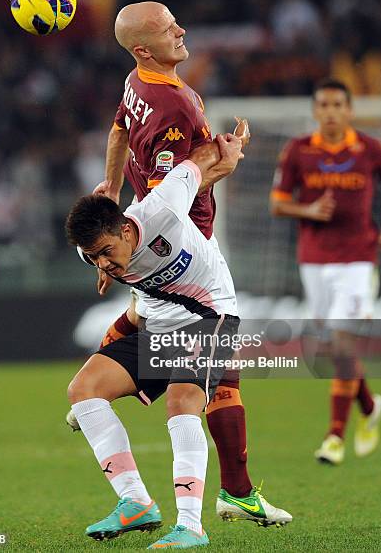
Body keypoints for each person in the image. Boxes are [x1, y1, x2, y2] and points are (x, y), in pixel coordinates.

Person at [68, 0, 267, 521]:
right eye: (167, 27)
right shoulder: (177, 107)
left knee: (176, 348)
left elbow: (118, 132)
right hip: (177, 241)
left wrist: (110, 192)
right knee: (206, 372)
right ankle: (231, 496)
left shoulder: (137, 81)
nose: (181, 29)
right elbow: (171, 200)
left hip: (146, 238)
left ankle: (227, 499)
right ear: (141, 48)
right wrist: (228, 161)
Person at [66, 135, 292, 549]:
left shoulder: (164, 205)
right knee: (82, 389)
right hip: (157, 325)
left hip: (210, 318)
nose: (101, 262)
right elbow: (133, 301)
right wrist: (90, 406)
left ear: (125, 229)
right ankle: (135, 503)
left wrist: (230, 146)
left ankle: (191, 525)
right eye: (92, 256)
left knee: (182, 398)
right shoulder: (96, 251)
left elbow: (201, 159)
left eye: (104, 252)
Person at [270, 78, 381, 465]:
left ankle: (335, 435)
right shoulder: (298, 151)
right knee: (331, 349)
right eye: (324, 105)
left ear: (350, 110)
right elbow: (278, 203)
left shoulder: (370, 149)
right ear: (315, 110)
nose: (332, 111)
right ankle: (370, 406)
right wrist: (309, 210)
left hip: (358, 258)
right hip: (314, 260)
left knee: (341, 343)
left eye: (339, 104)